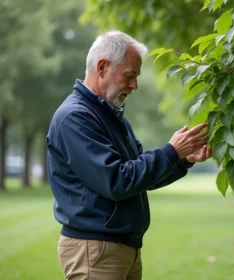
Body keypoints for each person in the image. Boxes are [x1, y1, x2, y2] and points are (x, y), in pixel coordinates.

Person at [46, 30, 212, 280]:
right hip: (96, 250)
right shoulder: (75, 118)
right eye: (129, 75)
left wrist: (182, 159)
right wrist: (171, 150)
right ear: (102, 67)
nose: (134, 85)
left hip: (120, 248)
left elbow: (139, 177)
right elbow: (118, 181)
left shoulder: (109, 115)